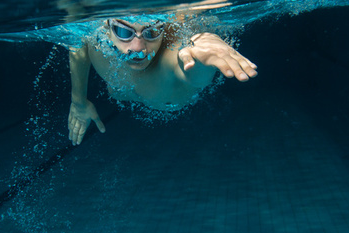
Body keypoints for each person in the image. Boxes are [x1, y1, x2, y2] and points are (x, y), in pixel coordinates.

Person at [67, 17, 258, 145]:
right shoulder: (94, 40)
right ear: (106, 28)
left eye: (151, 33)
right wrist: (78, 101)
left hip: (168, 99)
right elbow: (78, 47)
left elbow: (190, 70)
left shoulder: (170, 57)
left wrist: (203, 52)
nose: (138, 48)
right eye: (124, 32)